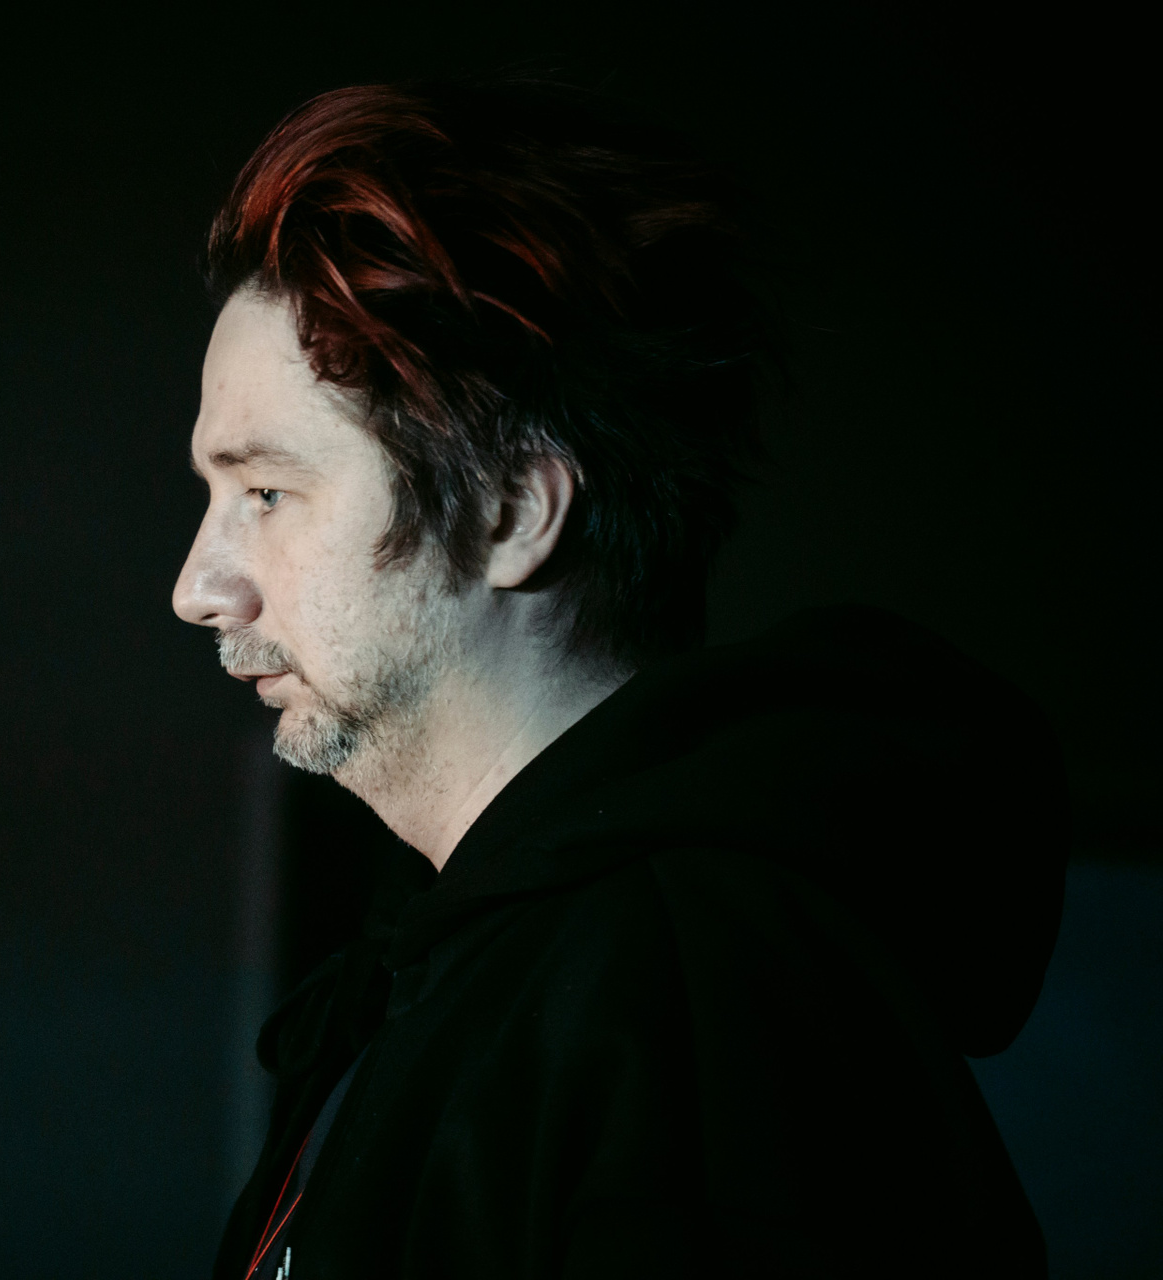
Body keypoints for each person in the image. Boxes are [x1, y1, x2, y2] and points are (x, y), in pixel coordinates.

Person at [172, 78, 1065, 1279]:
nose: (199, 586)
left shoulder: (696, 1013)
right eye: (216, 494)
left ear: (510, 511)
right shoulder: (452, 961)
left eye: (269, 492)